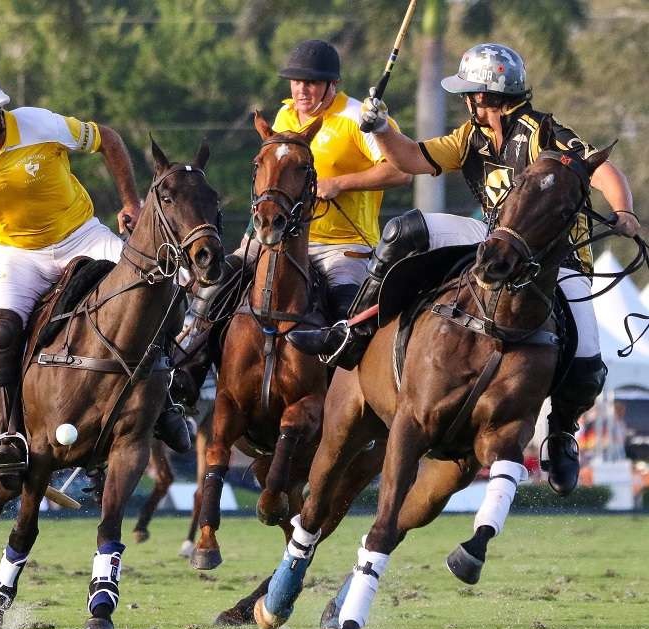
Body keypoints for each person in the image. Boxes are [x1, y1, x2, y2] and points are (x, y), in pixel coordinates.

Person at [290, 43, 641, 495]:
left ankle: (563, 432)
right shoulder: (469, 137)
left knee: (589, 361)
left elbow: (601, 169)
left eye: (471, 93)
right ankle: (353, 329)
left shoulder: (541, 133)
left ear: (488, 95)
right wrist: (378, 130)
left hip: (556, 259)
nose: (467, 101)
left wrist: (624, 211)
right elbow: (413, 158)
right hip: (494, 241)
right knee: (402, 231)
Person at [0, 65, 190, 483]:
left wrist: (130, 202)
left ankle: (166, 400)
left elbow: (108, 140)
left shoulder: (39, 124)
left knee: (164, 290)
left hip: (81, 236)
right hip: (16, 255)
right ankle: (10, 437)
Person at [183, 39, 410, 349]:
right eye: (296, 82)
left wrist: (340, 183)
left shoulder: (361, 118)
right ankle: (186, 366)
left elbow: (401, 171)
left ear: (333, 84)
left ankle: (347, 389)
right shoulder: (285, 116)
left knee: (347, 320)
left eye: (312, 82)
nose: (302, 90)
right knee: (216, 283)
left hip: (342, 245)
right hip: (280, 236)